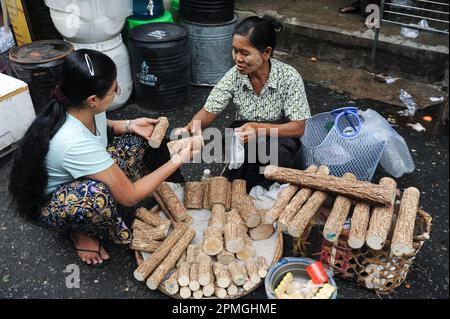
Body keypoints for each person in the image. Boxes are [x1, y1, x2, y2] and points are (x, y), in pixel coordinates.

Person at [9, 49, 195, 267]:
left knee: (137, 141)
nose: (117, 89)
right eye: (113, 88)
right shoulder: (74, 142)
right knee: (95, 196)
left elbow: (102, 125)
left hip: (81, 169)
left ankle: (137, 186)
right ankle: (79, 231)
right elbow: (130, 197)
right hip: (54, 203)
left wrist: (127, 125)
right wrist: (178, 159)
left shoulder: (80, 106)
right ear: (92, 100)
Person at [177, 15, 311, 191]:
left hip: (280, 134)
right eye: (235, 50)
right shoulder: (234, 76)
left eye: (245, 53)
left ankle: (267, 191)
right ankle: (244, 192)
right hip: (245, 130)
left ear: (266, 53)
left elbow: (299, 127)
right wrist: (191, 129)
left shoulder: (289, 77)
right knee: (231, 143)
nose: (238, 58)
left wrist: (259, 129)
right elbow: (209, 110)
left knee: (272, 151)